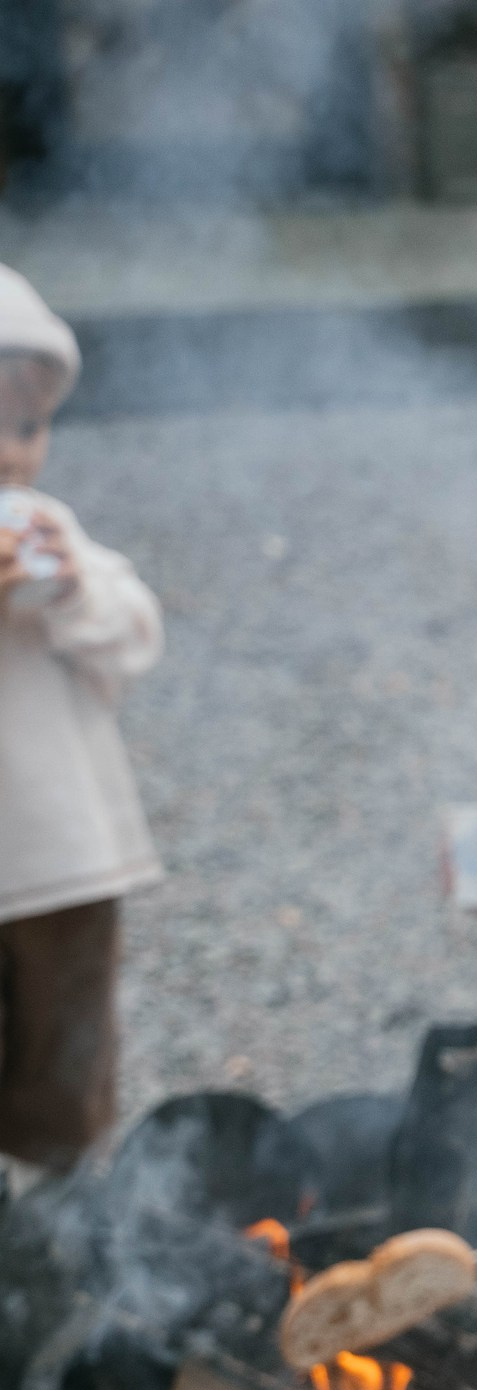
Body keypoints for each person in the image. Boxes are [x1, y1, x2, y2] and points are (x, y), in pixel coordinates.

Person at [0, 262, 163, 1175]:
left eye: (27, 426)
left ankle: (72, 1219)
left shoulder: (53, 532)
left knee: (68, 1062)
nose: (11, 455)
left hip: (64, 859)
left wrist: (72, 594)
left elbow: (134, 642)